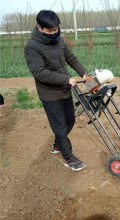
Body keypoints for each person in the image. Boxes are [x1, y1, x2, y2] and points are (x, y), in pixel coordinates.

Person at [24, 10, 87, 171]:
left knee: (70, 120)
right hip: (49, 94)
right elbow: (39, 72)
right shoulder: (32, 47)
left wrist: (83, 73)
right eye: (50, 30)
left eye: (56, 29)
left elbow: (70, 58)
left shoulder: (59, 41)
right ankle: (68, 157)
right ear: (40, 27)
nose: (54, 32)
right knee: (59, 126)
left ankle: (57, 145)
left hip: (64, 89)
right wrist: (65, 79)